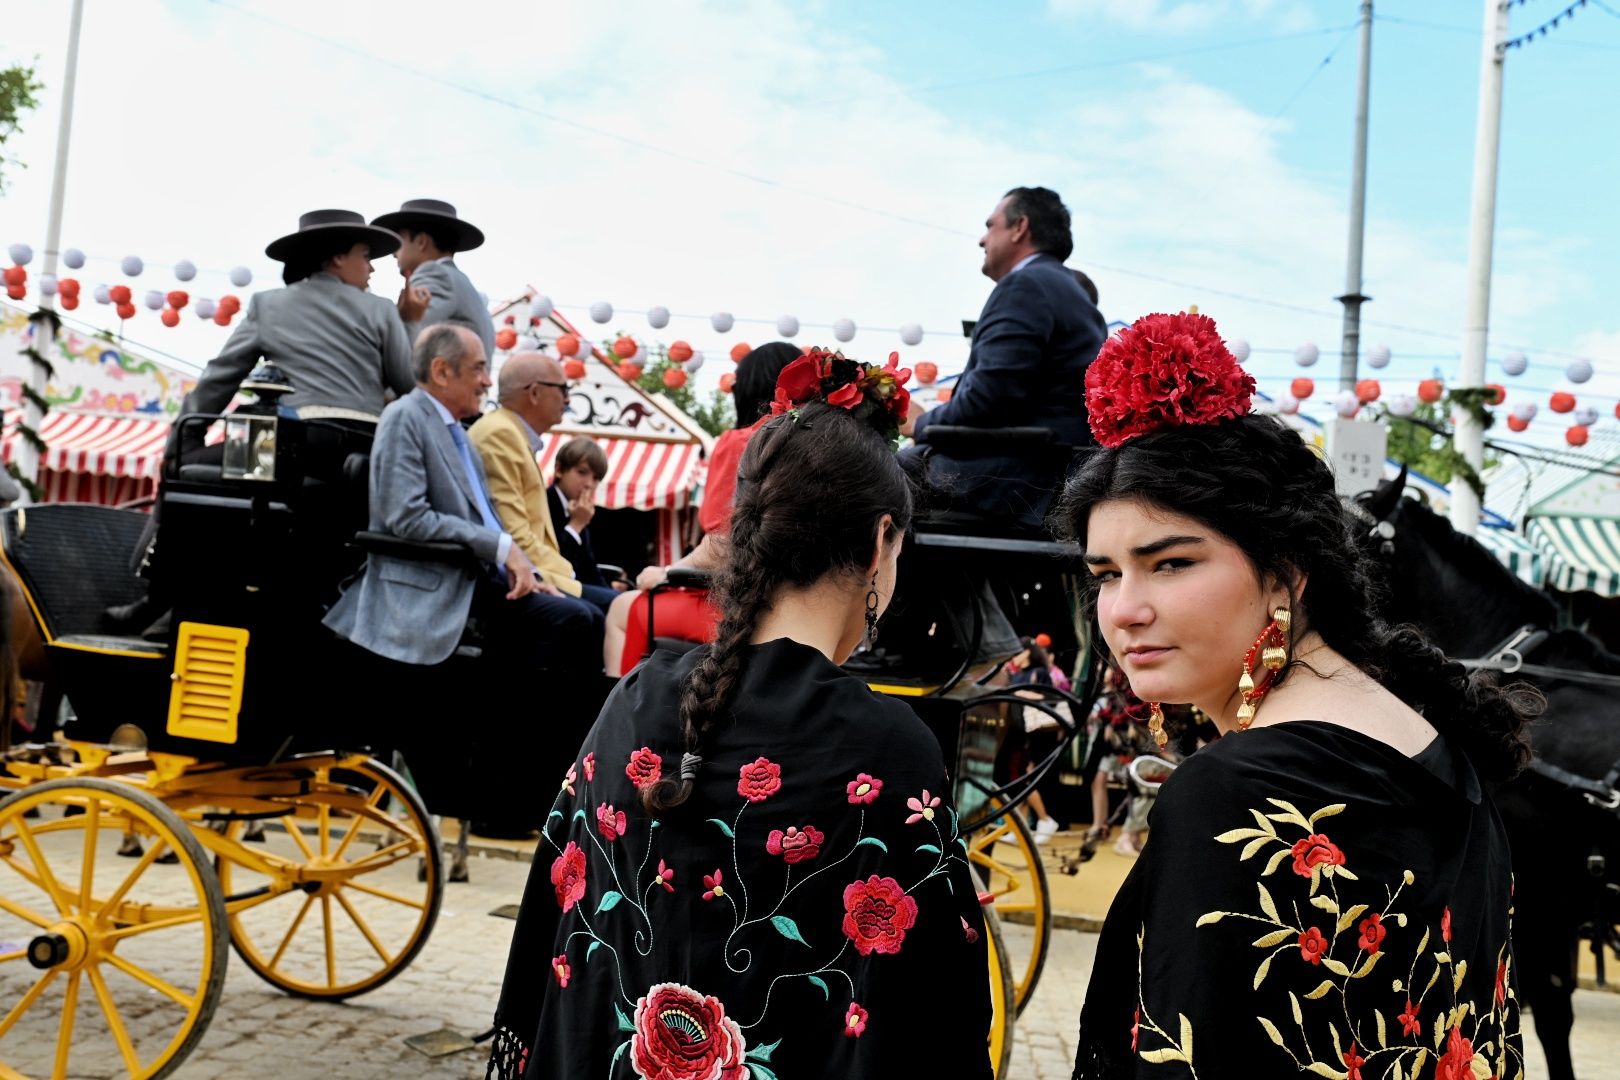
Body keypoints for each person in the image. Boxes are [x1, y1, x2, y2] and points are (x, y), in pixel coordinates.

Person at [487, 354, 990, 1079]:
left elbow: (562, 938)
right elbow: (933, 1007)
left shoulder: (634, 700)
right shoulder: (890, 749)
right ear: (882, 541)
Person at [1064, 312, 1537, 1077]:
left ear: (1286, 571)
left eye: (1172, 563)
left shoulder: (1237, 790)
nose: (1124, 610)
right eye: (1106, 574)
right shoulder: (1425, 738)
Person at [106, 208, 425, 636]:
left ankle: (163, 597)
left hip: (286, 446)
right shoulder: (383, 310)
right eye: (365, 255)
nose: (371, 267)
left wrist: (181, 444)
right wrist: (409, 322)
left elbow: (220, 378)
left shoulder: (268, 304)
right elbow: (407, 382)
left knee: (189, 469)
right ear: (335, 259)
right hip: (362, 454)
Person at [322, 324, 601, 672]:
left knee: (587, 614)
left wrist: (528, 572)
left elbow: (485, 518)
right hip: (435, 584)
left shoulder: (460, 435)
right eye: (478, 368)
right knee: (573, 618)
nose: (487, 381)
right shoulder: (404, 417)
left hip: (478, 577)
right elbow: (406, 517)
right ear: (441, 371)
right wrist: (500, 548)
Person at [899, 186, 1107, 531]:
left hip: (1006, 482)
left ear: (1019, 227)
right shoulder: (1071, 293)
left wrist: (920, 423)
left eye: (990, 225)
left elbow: (988, 399)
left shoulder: (1026, 285)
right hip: (1049, 476)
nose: (982, 239)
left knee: (862, 479)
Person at [602, 342, 802, 673]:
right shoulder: (818, 446)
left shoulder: (742, 443)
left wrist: (664, 572)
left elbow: (721, 545)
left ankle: (622, 712)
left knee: (624, 609)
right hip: (795, 607)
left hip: (739, 608)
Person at [467, 351, 603, 616]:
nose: (567, 399)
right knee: (601, 614)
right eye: (563, 388)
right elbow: (513, 532)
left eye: (596, 478)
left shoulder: (511, 433)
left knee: (619, 607)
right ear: (534, 393)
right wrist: (566, 573)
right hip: (512, 575)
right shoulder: (501, 433)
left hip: (535, 569)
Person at [373, 198, 496, 360]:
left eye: (400, 241)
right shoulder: (458, 279)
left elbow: (402, 340)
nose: (394, 253)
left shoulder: (436, 274)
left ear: (421, 242)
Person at [545, 436, 622, 612]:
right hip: (551, 584)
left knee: (624, 603)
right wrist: (576, 525)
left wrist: (614, 595)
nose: (589, 484)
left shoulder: (578, 510)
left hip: (574, 585)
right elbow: (553, 559)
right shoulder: (544, 502)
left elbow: (589, 568)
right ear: (559, 470)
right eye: (582, 472)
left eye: (596, 478)